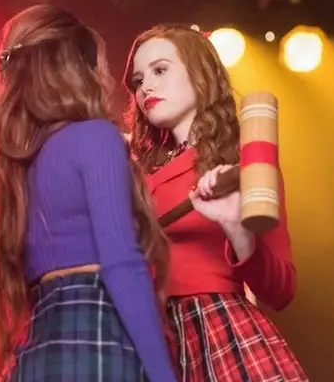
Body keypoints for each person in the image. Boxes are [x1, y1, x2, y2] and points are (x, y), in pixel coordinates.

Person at [0, 5, 177, 382]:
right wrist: (164, 375)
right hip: (98, 340)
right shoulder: (96, 138)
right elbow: (122, 264)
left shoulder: (16, 167)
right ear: (75, 66)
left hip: (37, 353)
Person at [123, 24, 308, 381]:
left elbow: (282, 290)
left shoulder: (242, 163)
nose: (146, 87)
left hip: (218, 327)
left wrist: (237, 229)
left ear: (199, 73)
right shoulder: (131, 171)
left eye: (160, 70)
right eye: (138, 80)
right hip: (151, 342)